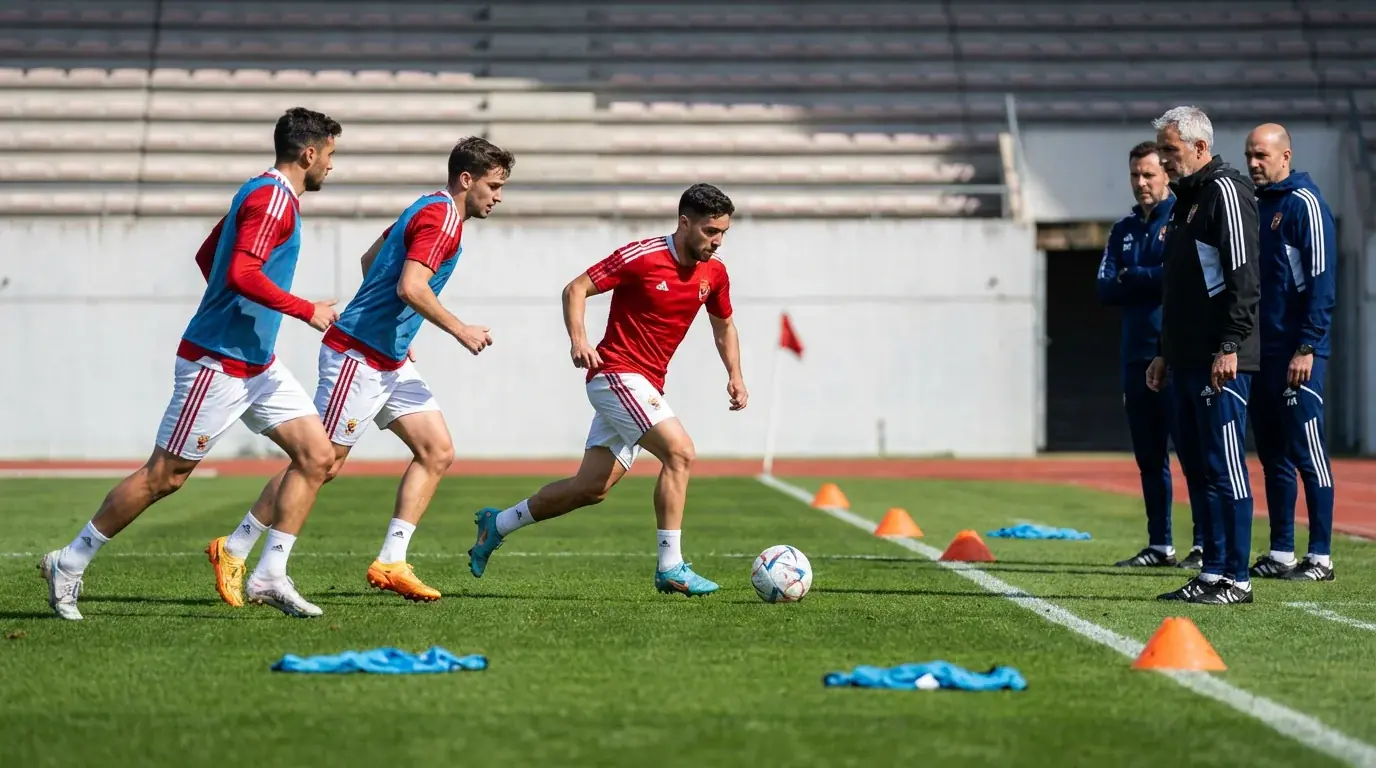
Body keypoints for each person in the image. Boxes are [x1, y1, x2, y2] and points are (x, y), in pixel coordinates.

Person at [38, 107, 343, 620]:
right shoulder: (273, 199)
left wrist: (237, 310)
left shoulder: (260, 191)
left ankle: (268, 575)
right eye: (330, 155)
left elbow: (209, 256)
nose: (332, 166)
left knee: (318, 457)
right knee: (164, 477)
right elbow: (241, 271)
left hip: (257, 365)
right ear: (309, 154)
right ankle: (69, 561)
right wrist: (303, 309)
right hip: (216, 365)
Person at [206, 138, 515, 605]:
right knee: (320, 463)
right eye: (493, 186)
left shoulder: (428, 207)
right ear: (466, 179)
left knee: (436, 450)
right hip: (358, 356)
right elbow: (411, 286)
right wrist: (459, 329)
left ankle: (391, 561)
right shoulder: (442, 219)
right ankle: (235, 547)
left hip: (388, 358)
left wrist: (396, 330)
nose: (498, 197)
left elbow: (372, 259)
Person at [467, 183, 747, 597]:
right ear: (684, 223)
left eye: (723, 232)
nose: (717, 241)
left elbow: (724, 326)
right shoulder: (642, 256)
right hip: (615, 373)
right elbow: (575, 288)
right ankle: (671, 566)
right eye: (710, 231)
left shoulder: (715, 273)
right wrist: (579, 340)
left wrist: (735, 375)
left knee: (590, 488)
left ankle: (498, 524)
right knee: (680, 452)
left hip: (645, 384)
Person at [1147, 105, 1262, 605]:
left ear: (1199, 147)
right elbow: (1179, 289)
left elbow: (1244, 278)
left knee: (1226, 466)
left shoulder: (1225, 192)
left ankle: (1237, 579)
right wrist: (1164, 352)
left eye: (1170, 150)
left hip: (1221, 359)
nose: (1163, 160)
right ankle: (1212, 572)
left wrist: (1230, 345)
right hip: (1188, 358)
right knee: (1203, 469)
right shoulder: (1185, 201)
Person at [1098, 141, 1208, 570]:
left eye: (1148, 174)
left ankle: (1203, 544)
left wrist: (1135, 276)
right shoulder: (1122, 229)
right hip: (1134, 357)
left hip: (1175, 355)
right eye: (1135, 175)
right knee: (1149, 456)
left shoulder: (1181, 219)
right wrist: (1150, 278)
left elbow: (1179, 277)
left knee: (1192, 455)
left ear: (1165, 174)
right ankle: (1160, 544)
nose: (1141, 182)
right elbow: (1104, 288)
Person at [1244, 123, 1338, 582]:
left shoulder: (1305, 204)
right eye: (1249, 155)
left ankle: (1320, 557)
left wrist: (1307, 346)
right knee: (1273, 456)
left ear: (1285, 156)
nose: (1253, 163)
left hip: (1298, 353)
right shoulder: (1254, 206)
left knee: (1307, 452)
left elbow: (1321, 283)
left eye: (1261, 155)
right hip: (1261, 354)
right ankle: (1281, 551)